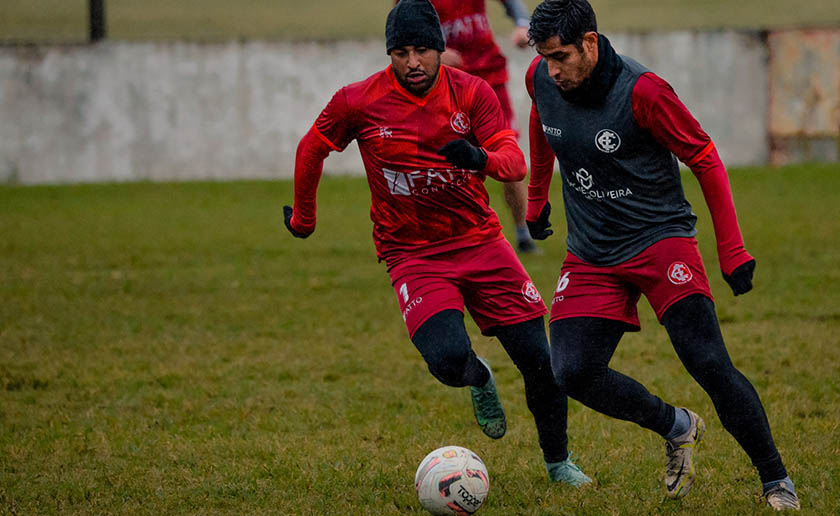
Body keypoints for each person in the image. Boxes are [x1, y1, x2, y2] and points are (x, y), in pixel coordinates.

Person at [284, 0, 591, 489]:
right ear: (389, 54)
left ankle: (558, 463)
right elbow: (312, 147)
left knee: (541, 361)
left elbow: (513, 163)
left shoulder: (472, 93)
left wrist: (479, 157)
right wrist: (304, 219)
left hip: (481, 242)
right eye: (401, 52)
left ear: (439, 48)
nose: (413, 62)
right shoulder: (358, 101)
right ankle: (479, 378)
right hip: (413, 255)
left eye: (423, 50)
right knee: (447, 361)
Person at [523, 0, 799, 510]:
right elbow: (543, 130)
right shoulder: (540, 77)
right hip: (591, 252)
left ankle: (776, 480)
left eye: (560, 56)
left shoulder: (643, 91)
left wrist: (732, 249)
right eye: (544, 57)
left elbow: (705, 157)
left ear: (589, 42)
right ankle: (676, 426)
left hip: (659, 240)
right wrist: (537, 199)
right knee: (573, 370)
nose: (551, 69)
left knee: (708, 362)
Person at [407, 0, 541, 254]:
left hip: (490, 77)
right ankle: (445, 233)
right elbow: (403, 31)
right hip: (449, 83)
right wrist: (431, 52)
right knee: (447, 160)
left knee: (507, 153)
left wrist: (523, 24)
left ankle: (524, 235)